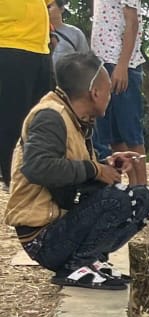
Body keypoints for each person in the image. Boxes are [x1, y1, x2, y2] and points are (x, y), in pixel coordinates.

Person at [4, 51, 149, 289]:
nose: (110, 97)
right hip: (42, 238)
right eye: (108, 91)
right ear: (95, 93)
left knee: (143, 198)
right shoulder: (50, 116)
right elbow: (37, 167)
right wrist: (95, 170)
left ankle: (91, 261)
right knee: (120, 200)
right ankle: (75, 267)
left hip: (60, 227)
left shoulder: (76, 119)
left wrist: (106, 164)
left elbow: (74, 172)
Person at [90, 0, 145, 184]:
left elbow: (132, 22)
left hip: (122, 65)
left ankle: (142, 189)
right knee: (113, 135)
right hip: (102, 62)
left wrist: (122, 65)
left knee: (131, 133)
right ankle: (129, 185)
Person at [1, 0, 53, 189]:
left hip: (40, 47)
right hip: (9, 44)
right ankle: (11, 178)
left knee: (42, 118)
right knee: (12, 118)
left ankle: (40, 175)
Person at [48, 0, 89, 66]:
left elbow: (85, 60)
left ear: (61, 8)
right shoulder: (37, 34)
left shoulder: (75, 33)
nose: (45, 10)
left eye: (49, 6)